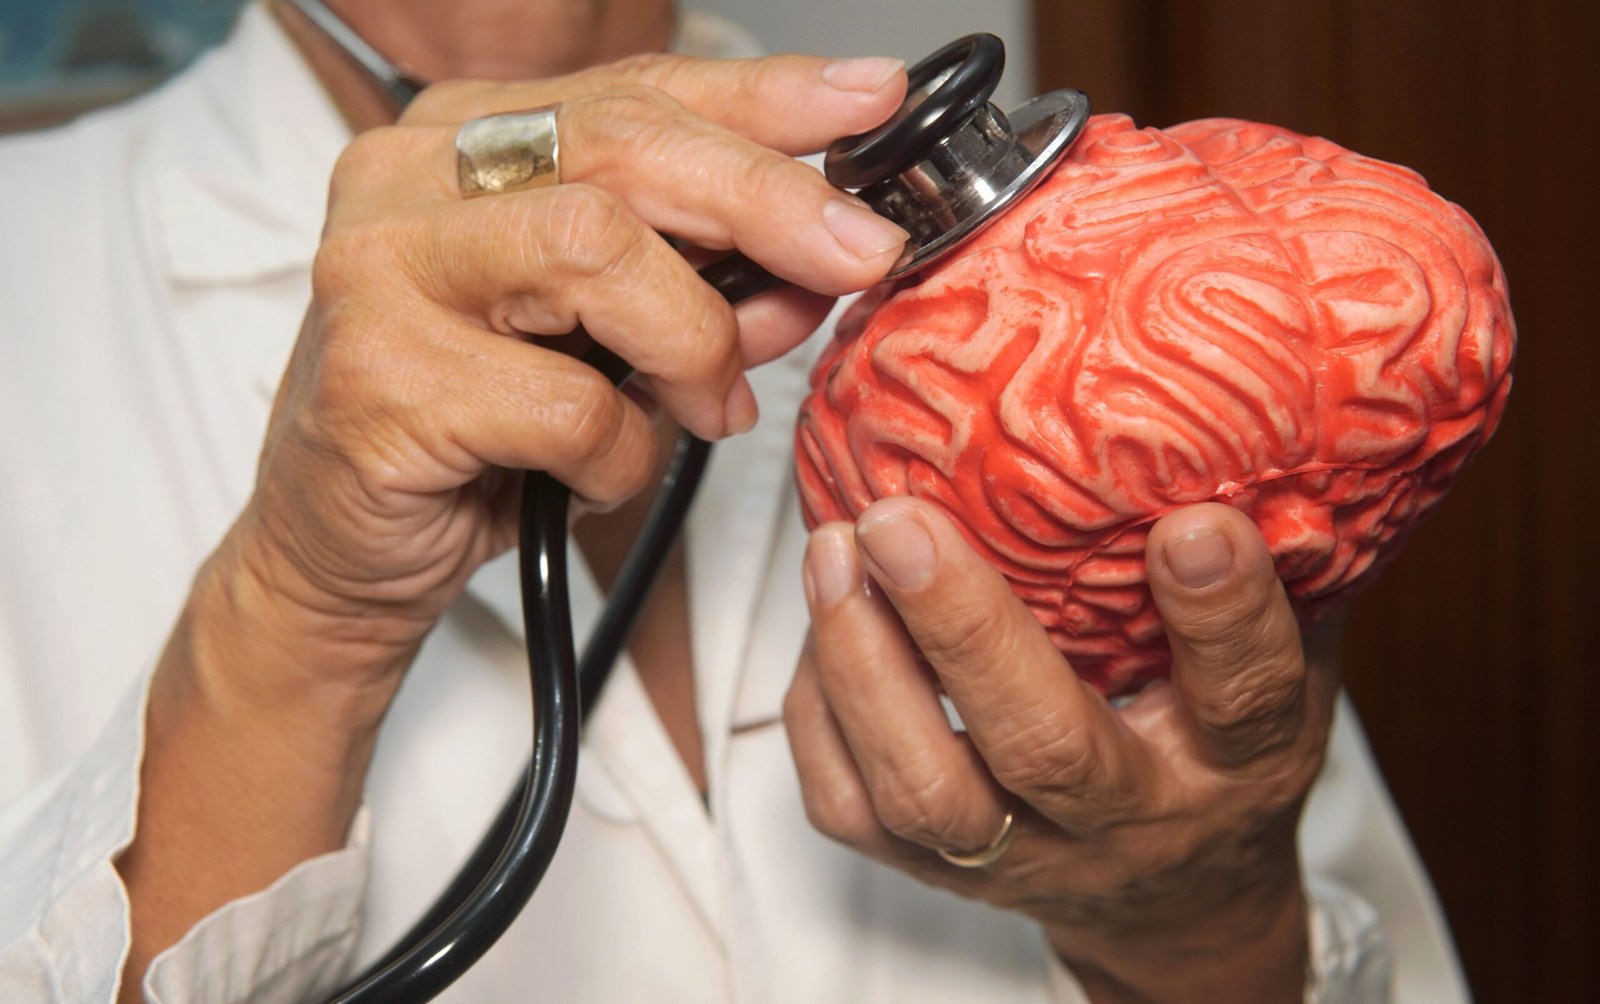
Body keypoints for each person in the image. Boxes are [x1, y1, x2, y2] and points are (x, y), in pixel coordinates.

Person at [0, 1, 1468, 1001]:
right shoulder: (35, 272)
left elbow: (1362, 945)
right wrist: (288, 625)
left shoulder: (1116, 288)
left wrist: (1205, 937)